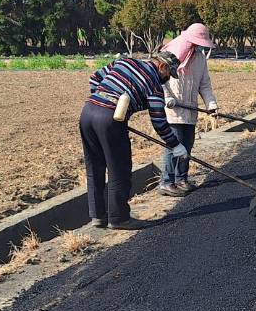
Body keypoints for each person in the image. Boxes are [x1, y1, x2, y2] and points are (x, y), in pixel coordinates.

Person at [79, 50, 187, 230]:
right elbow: (159, 123)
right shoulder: (154, 85)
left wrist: (101, 99)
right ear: (162, 66)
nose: (167, 79)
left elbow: (94, 77)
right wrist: (176, 145)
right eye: (168, 74)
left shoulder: (124, 62)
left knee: (94, 167)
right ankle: (119, 218)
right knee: (119, 169)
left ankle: (98, 216)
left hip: (87, 113)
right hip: (109, 119)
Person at [157, 22, 219, 197]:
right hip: (173, 110)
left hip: (190, 109)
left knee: (187, 145)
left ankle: (181, 179)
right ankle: (166, 182)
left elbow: (204, 84)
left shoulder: (200, 58)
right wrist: (167, 98)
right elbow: (159, 79)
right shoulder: (170, 54)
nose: (198, 46)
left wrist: (211, 104)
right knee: (173, 145)